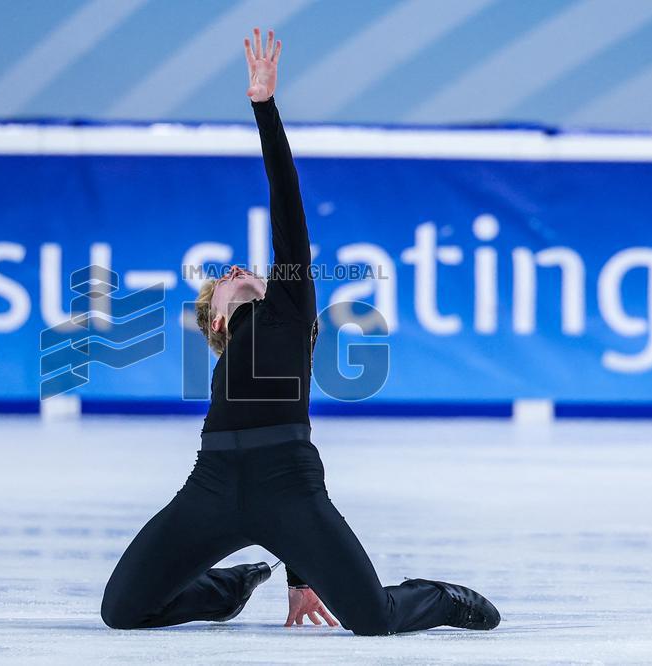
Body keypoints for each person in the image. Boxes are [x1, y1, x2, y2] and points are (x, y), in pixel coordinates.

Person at [101, 28, 500, 635]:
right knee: (122, 611)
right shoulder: (232, 343)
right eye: (224, 280)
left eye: (246, 271)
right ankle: (225, 589)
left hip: (288, 486)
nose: (239, 269)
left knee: (371, 619)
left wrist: (265, 107)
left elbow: (287, 203)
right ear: (216, 317)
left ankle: (440, 598)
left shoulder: (288, 310)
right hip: (209, 488)